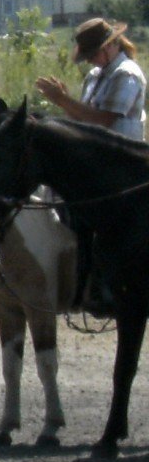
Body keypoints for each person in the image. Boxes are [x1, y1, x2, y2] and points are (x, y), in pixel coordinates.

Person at [36, 17, 146, 313]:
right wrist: (66, 106)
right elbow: (84, 121)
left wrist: (62, 102)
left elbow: (103, 120)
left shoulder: (127, 74)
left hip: (121, 168)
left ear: (110, 46)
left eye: (94, 53)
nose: (91, 61)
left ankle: (105, 285)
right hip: (98, 164)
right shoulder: (97, 76)